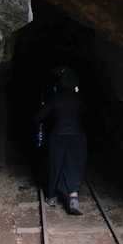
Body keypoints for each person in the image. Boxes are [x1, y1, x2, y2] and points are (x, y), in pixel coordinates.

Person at [35, 67, 86, 215]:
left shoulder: (55, 98)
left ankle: (51, 196)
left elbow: (41, 116)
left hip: (58, 136)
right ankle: (73, 196)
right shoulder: (79, 98)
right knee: (74, 165)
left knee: (55, 164)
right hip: (77, 136)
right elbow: (87, 114)